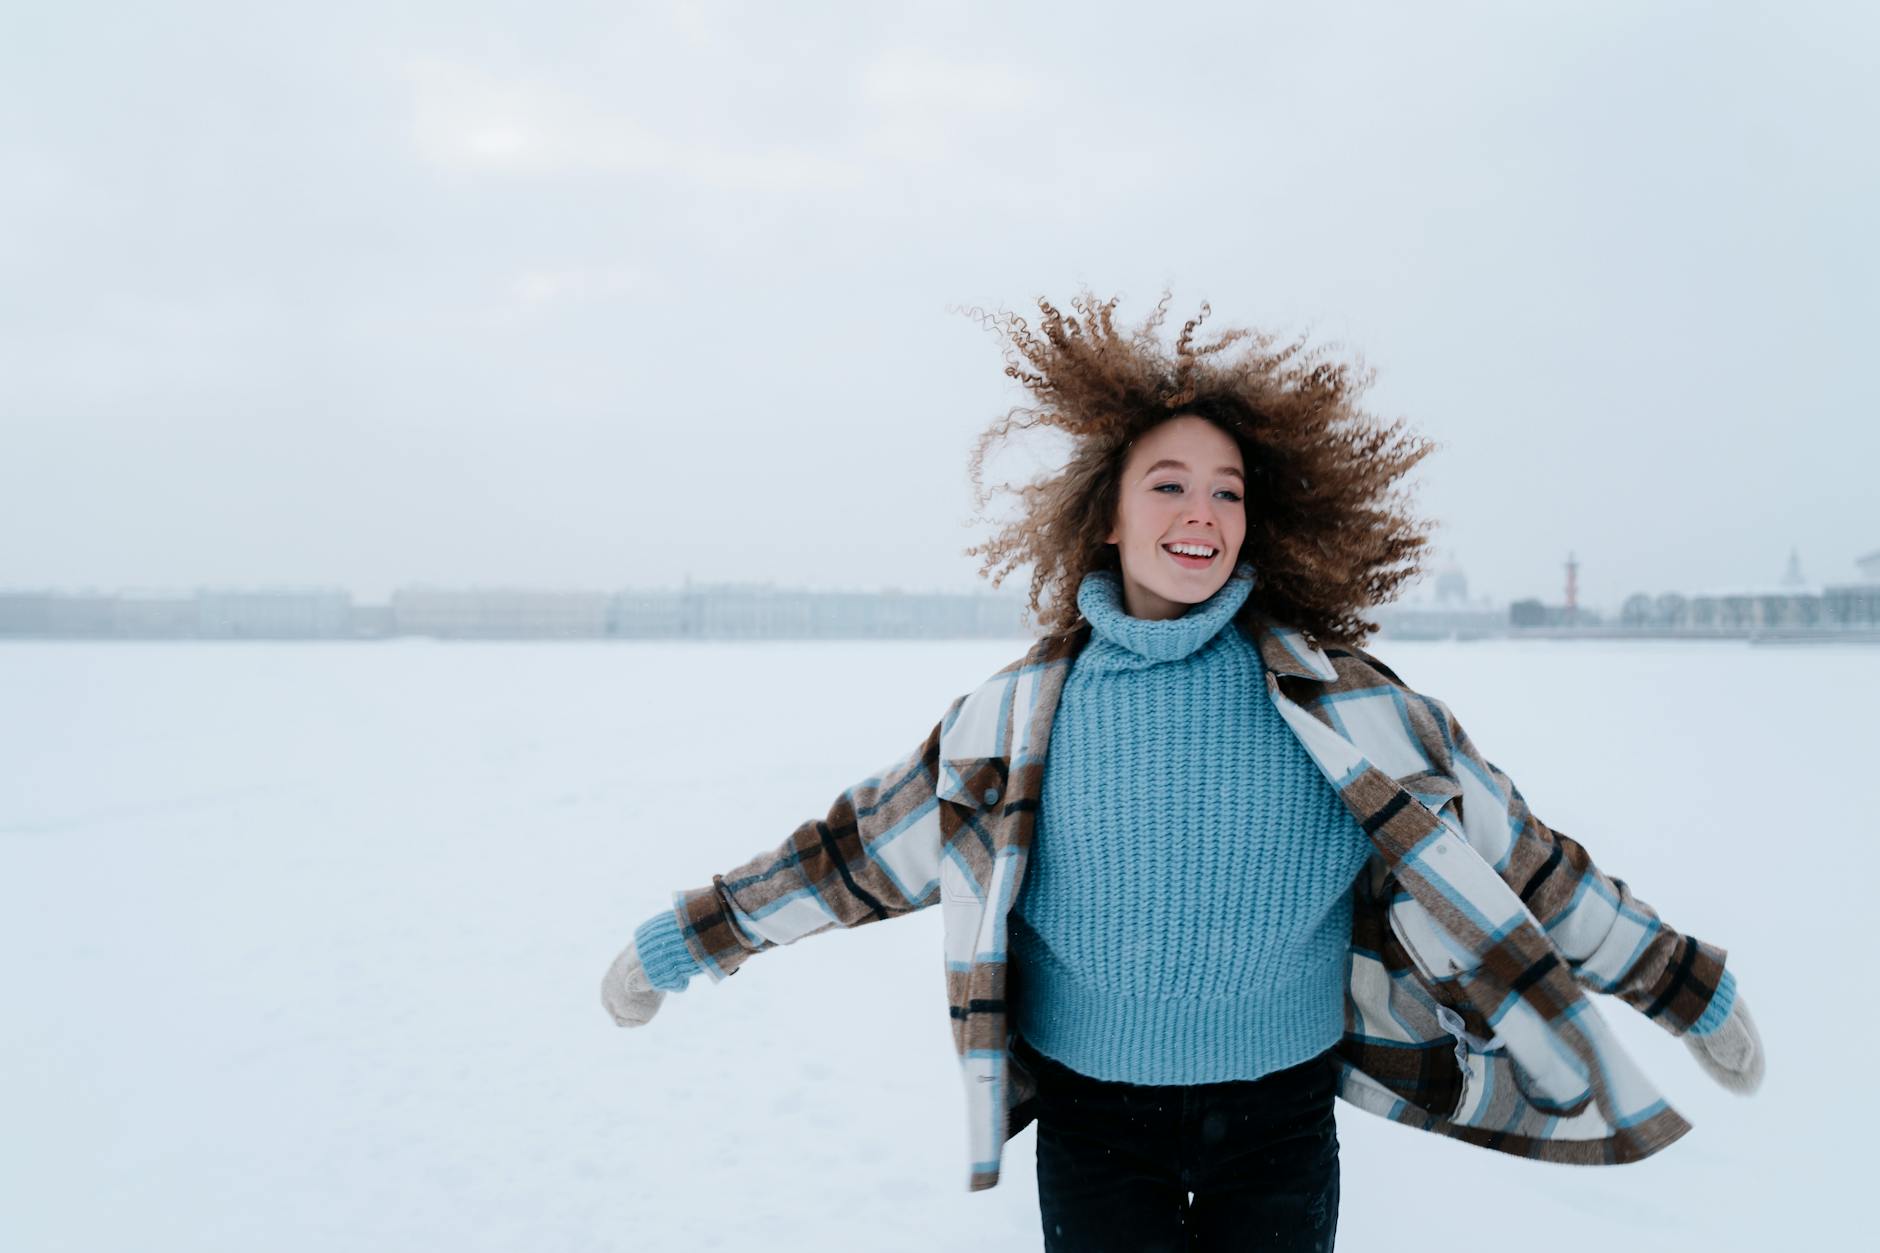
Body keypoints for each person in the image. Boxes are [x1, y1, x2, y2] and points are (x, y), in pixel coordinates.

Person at [600, 291, 1765, 1252]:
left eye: (1227, 490)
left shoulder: (1346, 708)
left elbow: (1529, 863)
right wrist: (688, 940)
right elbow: (855, 851)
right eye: (1167, 482)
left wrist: (1682, 984)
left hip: (1280, 1118)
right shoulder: (1018, 716)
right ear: (1102, 516)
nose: (1200, 511)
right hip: (1092, 1123)